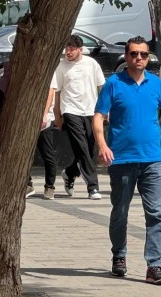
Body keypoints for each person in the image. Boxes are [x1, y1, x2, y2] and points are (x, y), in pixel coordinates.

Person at [94, 36, 161, 283]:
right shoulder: (114, 83)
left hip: (153, 158)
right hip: (121, 158)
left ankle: (154, 264)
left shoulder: (156, 84)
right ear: (126, 56)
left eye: (143, 54)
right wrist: (102, 145)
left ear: (148, 57)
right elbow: (99, 116)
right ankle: (119, 256)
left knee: (156, 212)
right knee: (120, 210)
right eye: (134, 54)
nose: (139, 58)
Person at [55, 34, 105, 200]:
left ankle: (70, 173)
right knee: (82, 147)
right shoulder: (61, 66)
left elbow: (101, 87)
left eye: (72, 49)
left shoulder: (91, 64)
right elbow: (57, 91)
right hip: (70, 110)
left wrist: (106, 110)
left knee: (90, 149)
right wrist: (58, 115)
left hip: (90, 110)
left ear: (80, 49)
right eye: (67, 48)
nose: (68, 52)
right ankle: (93, 187)